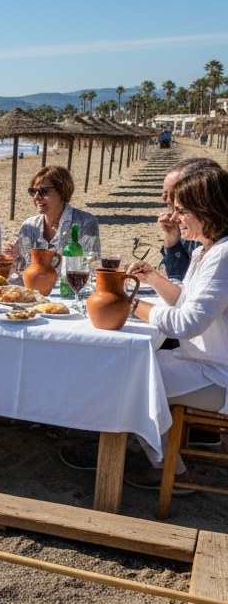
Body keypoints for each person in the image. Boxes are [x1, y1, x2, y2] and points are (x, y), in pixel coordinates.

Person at [121, 165, 228, 488]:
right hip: (201, 363)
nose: (175, 217)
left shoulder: (223, 255)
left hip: (217, 374)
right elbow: (183, 301)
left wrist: (130, 305)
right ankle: (155, 456)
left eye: (181, 211)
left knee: (128, 380)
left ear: (205, 210)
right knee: (133, 366)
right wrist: (152, 278)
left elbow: (187, 322)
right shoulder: (206, 253)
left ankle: (168, 469)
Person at [5, 165, 101, 261]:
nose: (36, 197)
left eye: (43, 191)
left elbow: (91, 263)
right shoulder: (29, 225)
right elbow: (20, 267)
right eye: (33, 191)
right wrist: (15, 256)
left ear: (62, 192)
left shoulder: (85, 223)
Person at [158, 158, 223, 280]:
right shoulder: (186, 225)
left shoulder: (220, 244)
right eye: (164, 192)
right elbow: (181, 281)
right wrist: (171, 239)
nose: (164, 198)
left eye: (172, 193)